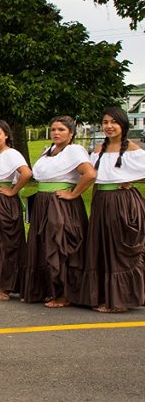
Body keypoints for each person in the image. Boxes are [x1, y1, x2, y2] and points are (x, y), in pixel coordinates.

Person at [21, 116, 96, 307]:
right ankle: (48, 289)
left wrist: (73, 194)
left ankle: (65, 294)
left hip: (60, 204)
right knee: (44, 244)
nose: (56, 133)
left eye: (61, 129)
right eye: (53, 129)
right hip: (42, 202)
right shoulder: (49, 151)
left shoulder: (74, 151)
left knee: (60, 244)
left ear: (71, 133)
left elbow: (90, 174)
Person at [76, 107, 144, 312]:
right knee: (102, 248)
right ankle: (104, 296)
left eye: (113, 122)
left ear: (123, 125)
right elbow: (94, 178)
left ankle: (121, 300)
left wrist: (130, 181)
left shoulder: (134, 150)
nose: (109, 126)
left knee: (119, 249)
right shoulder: (98, 150)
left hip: (123, 203)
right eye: (105, 122)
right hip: (102, 202)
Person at [0, 121, 32, 302]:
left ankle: (4, 288)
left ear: (6, 135)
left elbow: (26, 173)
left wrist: (13, 191)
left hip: (2, 200)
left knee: (5, 243)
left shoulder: (11, 153)